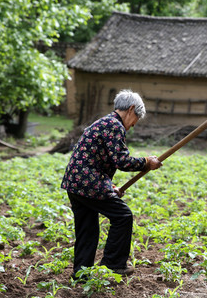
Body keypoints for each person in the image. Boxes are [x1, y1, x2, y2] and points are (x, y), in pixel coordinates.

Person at [61, 89, 162, 278]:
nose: (132, 126)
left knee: (87, 229)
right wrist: (147, 162)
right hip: (87, 183)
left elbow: (98, 160)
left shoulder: (104, 122)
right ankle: (114, 264)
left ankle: (81, 274)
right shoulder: (114, 125)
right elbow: (121, 161)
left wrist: (109, 187)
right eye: (135, 120)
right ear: (131, 109)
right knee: (123, 216)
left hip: (75, 183)